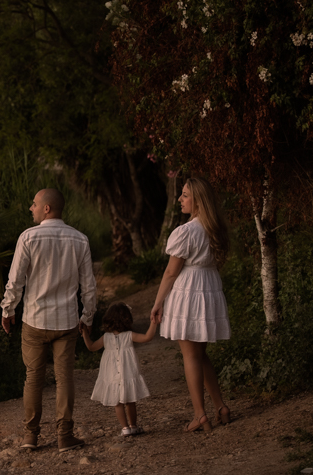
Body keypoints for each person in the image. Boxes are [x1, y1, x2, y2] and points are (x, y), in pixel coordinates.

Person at [1, 188, 97, 451]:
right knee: (64, 378)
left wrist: (8, 311)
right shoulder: (80, 240)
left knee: (33, 378)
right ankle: (65, 437)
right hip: (66, 322)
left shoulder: (28, 237)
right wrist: (87, 317)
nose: (30, 208)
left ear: (46, 208)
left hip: (34, 320)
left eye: (34, 204)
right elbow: (89, 286)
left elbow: (15, 280)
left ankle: (30, 437)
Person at [150, 176, 232, 432]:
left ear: (197, 200)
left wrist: (158, 302)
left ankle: (200, 414)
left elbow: (171, 273)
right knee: (200, 354)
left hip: (189, 291)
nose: (180, 199)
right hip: (208, 289)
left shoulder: (186, 231)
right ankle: (220, 406)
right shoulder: (213, 228)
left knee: (190, 356)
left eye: (185, 195)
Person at [81, 302, 155, 437]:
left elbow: (91, 347)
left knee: (117, 402)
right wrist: (154, 322)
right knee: (130, 400)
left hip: (111, 373)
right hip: (127, 372)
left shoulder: (106, 337)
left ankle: (125, 428)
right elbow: (147, 337)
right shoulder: (129, 335)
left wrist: (84, 333)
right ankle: (133, 426)